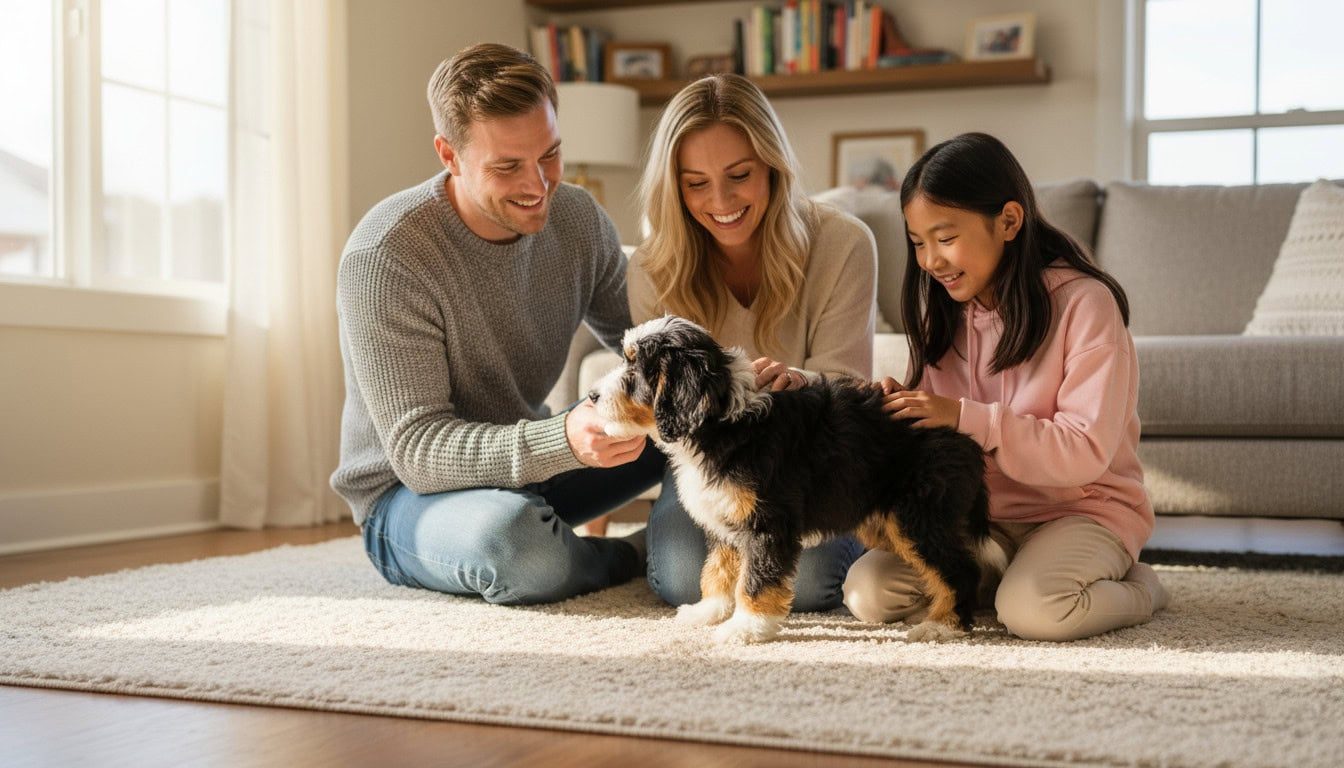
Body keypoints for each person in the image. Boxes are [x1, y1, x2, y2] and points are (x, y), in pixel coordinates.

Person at [331, 43, 665, 605]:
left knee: (692, 421)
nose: (538, 185)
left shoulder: (578, 220)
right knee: (513, 544)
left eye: (550, 154)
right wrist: (562, 437)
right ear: (449, 155)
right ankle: (636, 554)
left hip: (530, 468)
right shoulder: (386, 255)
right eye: (507, 166)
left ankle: (692, 545)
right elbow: (417, 449)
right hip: (407, 497)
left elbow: (647, 344)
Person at [843, 132, 1169, 641]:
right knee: (869, 591)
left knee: (1037, 610)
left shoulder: (1086, 305)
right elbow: (940, 441)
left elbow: (1084, 452)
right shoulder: (946, 312)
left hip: (1080, 511)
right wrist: (897, 417)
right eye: (918, 242)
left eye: (945, 238)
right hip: (982, 519)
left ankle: (1142, 589)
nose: (930, 260)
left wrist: (963, 415)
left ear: (1009, 221)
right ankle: (1003, 581)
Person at [630, 73, 878, 612]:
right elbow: (661, 409)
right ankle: (642, 545)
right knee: (677, 580)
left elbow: (849, 388)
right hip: (708, 461)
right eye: (695, 183)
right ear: (673, 186)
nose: (720, 201)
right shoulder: (652, 269)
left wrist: (799, 384)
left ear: (774, 166)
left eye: (739, 175)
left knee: (808, 588)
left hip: (811, 456)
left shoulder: (845, 243)